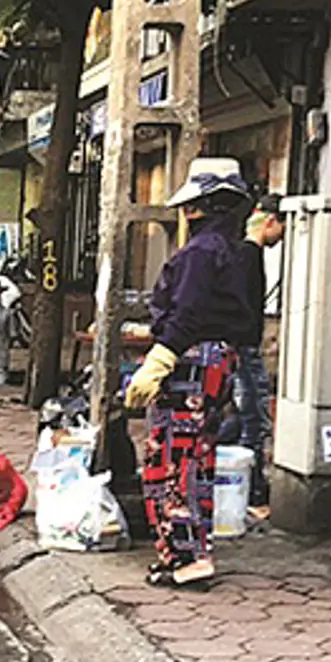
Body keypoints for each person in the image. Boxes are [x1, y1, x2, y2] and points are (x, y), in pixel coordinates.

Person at [123, 158, 255, 588]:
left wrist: (159, 358)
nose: (186, 213)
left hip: (190, 366)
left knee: (172, 463)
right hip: (217, 365)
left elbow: (189, 314)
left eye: (191, 206)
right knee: (197, 460)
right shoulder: (238, 253)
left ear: (202, 207)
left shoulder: (201, 253)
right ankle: (190, 553)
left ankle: (186, 556)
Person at [235, 193, 285, 511]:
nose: (282, 236)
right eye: (282, 226)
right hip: (243, 348)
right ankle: (250, 487)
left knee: (242, 415)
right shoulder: (247, 256)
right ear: (269, 221)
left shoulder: (242, 254)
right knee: (254, 418)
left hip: (240, 347)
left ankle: (241, 479)